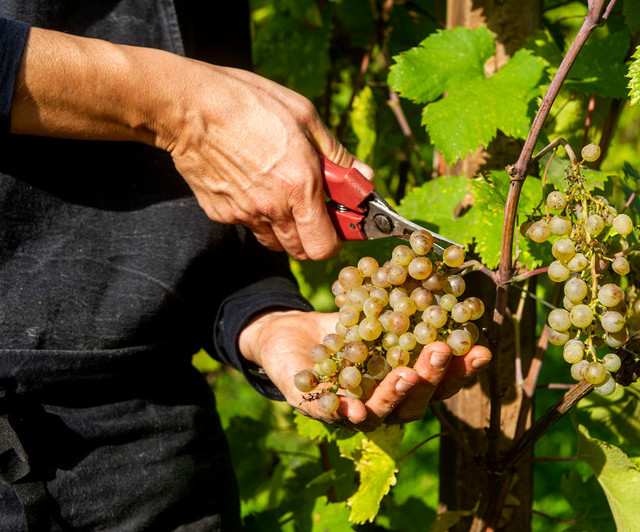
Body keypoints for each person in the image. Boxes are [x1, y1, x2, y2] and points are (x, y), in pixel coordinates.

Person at [0, 2, 491, 530]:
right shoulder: (186, 109)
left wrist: (261, 314)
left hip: (156, 451)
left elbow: (212, 192)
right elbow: (202, 110)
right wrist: (183, 110)